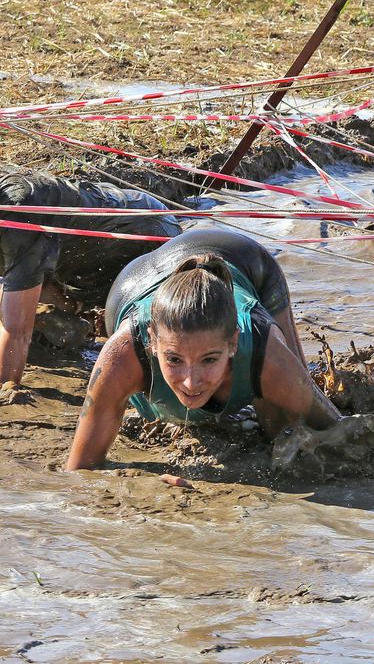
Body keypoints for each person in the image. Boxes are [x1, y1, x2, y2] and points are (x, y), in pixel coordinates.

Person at [64, 230, 343, 476]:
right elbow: (80, 470)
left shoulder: (265, 351)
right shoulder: (123, 354)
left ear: (234, 343)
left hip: (243, 258)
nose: (190, 381)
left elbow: (340, 432)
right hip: (135, 282)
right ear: (152, 342)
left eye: (209, 359)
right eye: (174, 359)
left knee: (284, 428)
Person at [2, 172, 181, 388]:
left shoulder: (19, 213)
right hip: (79, 257)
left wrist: (6, 388)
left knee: (142, 339)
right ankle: (76, 313)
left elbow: (17, 331)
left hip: (151, 235)